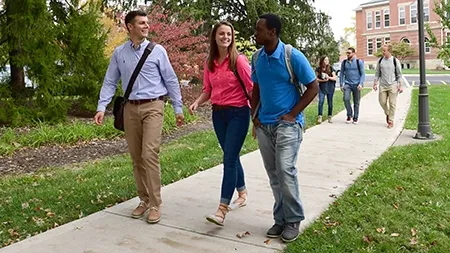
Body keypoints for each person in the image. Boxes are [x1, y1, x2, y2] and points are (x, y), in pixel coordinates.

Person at [94, 10, 184, 224]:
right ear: (130, 27)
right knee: (136, 157)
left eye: (147, 23)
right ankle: (143, 199)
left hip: (154, 106)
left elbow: (171, 80)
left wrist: (178, 108)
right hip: (130, 108)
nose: (146, 26)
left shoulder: (158, 51)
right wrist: (101, 107)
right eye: (141, 23)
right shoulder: (119, 53)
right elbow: (110, 81)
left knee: (149, 153)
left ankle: (155, 203)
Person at [251, 13, 319, 243]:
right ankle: (280, 218)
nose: (256, 32)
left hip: (288, 125)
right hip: (264, 125)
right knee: (273, 174)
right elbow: (256, 88)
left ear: (272, 32)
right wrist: (254, 116)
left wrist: (292, 114)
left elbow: (313, 86)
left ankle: (293, 219)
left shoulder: (292, 56)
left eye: (259, 29)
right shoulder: (256, 57)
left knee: (285, 169)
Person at [188, 21, 253, 226]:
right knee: (230, 154)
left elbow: (251, 88)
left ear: (232, 37)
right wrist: (197, 102)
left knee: (229, 159)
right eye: (221, 34)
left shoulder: (239, 61)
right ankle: (242, 192)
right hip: (218, 115)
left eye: (229, 34)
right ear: (214, 37)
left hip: (239, 114)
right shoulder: (210, 62)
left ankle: (222, 209)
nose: (225, 37)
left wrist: (259, 114)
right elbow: (208, 89)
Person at [373, 44, 403, 129]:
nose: (382, 52)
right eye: (382, 50)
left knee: (392, 104)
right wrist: (375, 83)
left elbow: (399, 75)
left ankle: (391, 120)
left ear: (389, 51)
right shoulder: (380, 61)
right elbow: (377, 74)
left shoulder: (395, 61)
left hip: (393, 85)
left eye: (384, 51)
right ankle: (387, 113)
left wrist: (400, 86)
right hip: (383, 85)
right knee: (382, 101)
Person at [339, 47, 366, 124]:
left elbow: (363, 74)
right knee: (346, 99)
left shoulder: (358, 62)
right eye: (347, 53)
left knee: (356, 102)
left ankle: (355, 118)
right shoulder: (344, 63)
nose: (347, 54)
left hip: (357, 85)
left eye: (349, 53)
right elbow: (341, 74)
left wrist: (361, 84)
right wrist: (341, 84)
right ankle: (349, 114)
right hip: (347, 84)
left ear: (353, 53)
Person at [315, 56, 337, 124]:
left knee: (330, 103)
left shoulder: (331, 68)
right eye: (325, 60)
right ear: (322, 61)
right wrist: (322, 80)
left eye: (327, 60)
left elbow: (335, 78)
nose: (327, 61)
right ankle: (320, 116)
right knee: (321, 102)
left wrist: (328, 77)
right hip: (322, 88)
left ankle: (330, 116)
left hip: (330, 88)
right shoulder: (318, 69)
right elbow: (316, 79)